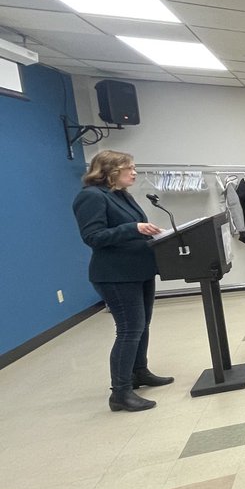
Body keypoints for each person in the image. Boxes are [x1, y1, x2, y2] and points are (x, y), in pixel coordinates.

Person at [72, 150, 173, 413]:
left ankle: (139, 372)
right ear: (110, 170)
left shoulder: (120, 195)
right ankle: (120, 393)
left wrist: (148, 230)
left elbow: (130, 227)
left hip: (138, 271)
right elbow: (93, 236)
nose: (135, 172)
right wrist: (134, 228)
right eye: (129, 168)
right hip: (115, 275)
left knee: (142, 325)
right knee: (129, 329)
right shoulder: (90, 196)